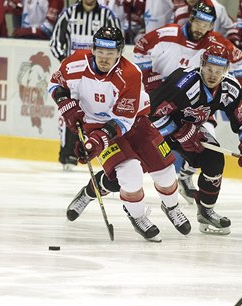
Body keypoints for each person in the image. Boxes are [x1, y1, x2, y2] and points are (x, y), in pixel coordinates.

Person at [48, 26, 190, 242]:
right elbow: (55, 83)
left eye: (111, 52)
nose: (105, 57)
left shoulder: (130, 74)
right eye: (101, 51)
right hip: (92, 126)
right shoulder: (75, 62)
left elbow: (123, 120)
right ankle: (138, 216)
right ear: (94, 49)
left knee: (165, 170)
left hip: (134, 122)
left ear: (120, 51)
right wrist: (64, 102)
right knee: (129, 173)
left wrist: (99, 140)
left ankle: (171, 207)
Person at [133, 2, 242, 202]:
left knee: (206, 141)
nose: (201, 27)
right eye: (198, 21)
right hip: (163, 98)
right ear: (191, 19)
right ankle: (117, 179)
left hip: (192, 100)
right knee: (146, 148)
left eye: (207, 24)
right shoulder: (168, 33)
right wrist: (149, 76)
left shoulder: (215, 44)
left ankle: (185, 177)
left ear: (211, 26)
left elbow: (239, 60)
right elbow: (140, 47)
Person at [148, 44, 242, 234]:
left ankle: (206, 211)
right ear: (201, 64)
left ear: (226, 70)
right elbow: (151, 114)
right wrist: (178, 132)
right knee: (129, 171)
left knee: (214, 160)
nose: (212, 75)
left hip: (192, 131)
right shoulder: (182, 82)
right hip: (160, 130)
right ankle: (91, 192)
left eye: (219, 71)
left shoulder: (230, 88)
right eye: (209, 69)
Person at [50, 0, 122, 170]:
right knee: (70, 110)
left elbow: (118, 44)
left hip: (100, 74)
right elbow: (56, 43)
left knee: (95, 109)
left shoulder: (107, 16)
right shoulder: (68, 14)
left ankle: (96, 150)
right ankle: (68, 155)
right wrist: (67, 65)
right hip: (74, 74)